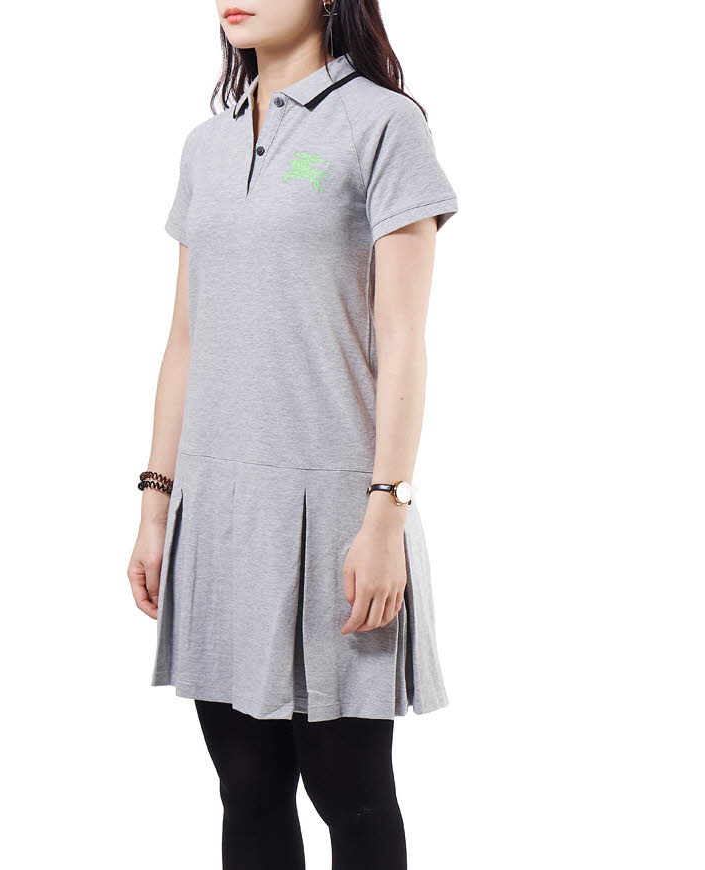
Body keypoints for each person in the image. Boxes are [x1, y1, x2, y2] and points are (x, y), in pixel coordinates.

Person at [127, 2, 458, 867]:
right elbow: (185, 338)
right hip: (216, 507)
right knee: (246, 787)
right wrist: (156, 504)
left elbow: (403, 338)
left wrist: (385, 513)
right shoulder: (206, 145)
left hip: (334, 510)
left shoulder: (382, 124)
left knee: (350, 791)